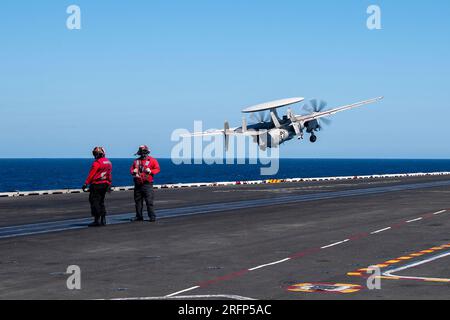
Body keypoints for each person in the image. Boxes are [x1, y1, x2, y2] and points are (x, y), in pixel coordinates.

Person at [82, 147, 113, 227]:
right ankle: (103, 219)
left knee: (94, 201)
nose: (94, 155)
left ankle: (97, 220)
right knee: (101, 201)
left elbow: (91, 174)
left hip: (97, 184)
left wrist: (86, 183)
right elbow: (109, 174)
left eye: (95, 153)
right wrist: (109, 183)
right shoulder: (108, 162)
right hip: (105, 184)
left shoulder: (97, 163)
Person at [130, 145, 161, 222]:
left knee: (149, 201)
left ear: (147, 152)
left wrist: (150, 171)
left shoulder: (152, 160)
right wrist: (133, 172)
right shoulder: (136, 161)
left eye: (145, 152)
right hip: (138, 184)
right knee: (138, 202)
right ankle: (139, 216)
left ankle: (152, 217)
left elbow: (157, 169)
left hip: (147, 184)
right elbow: (131, 170)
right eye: (142, 153)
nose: (143, 154)